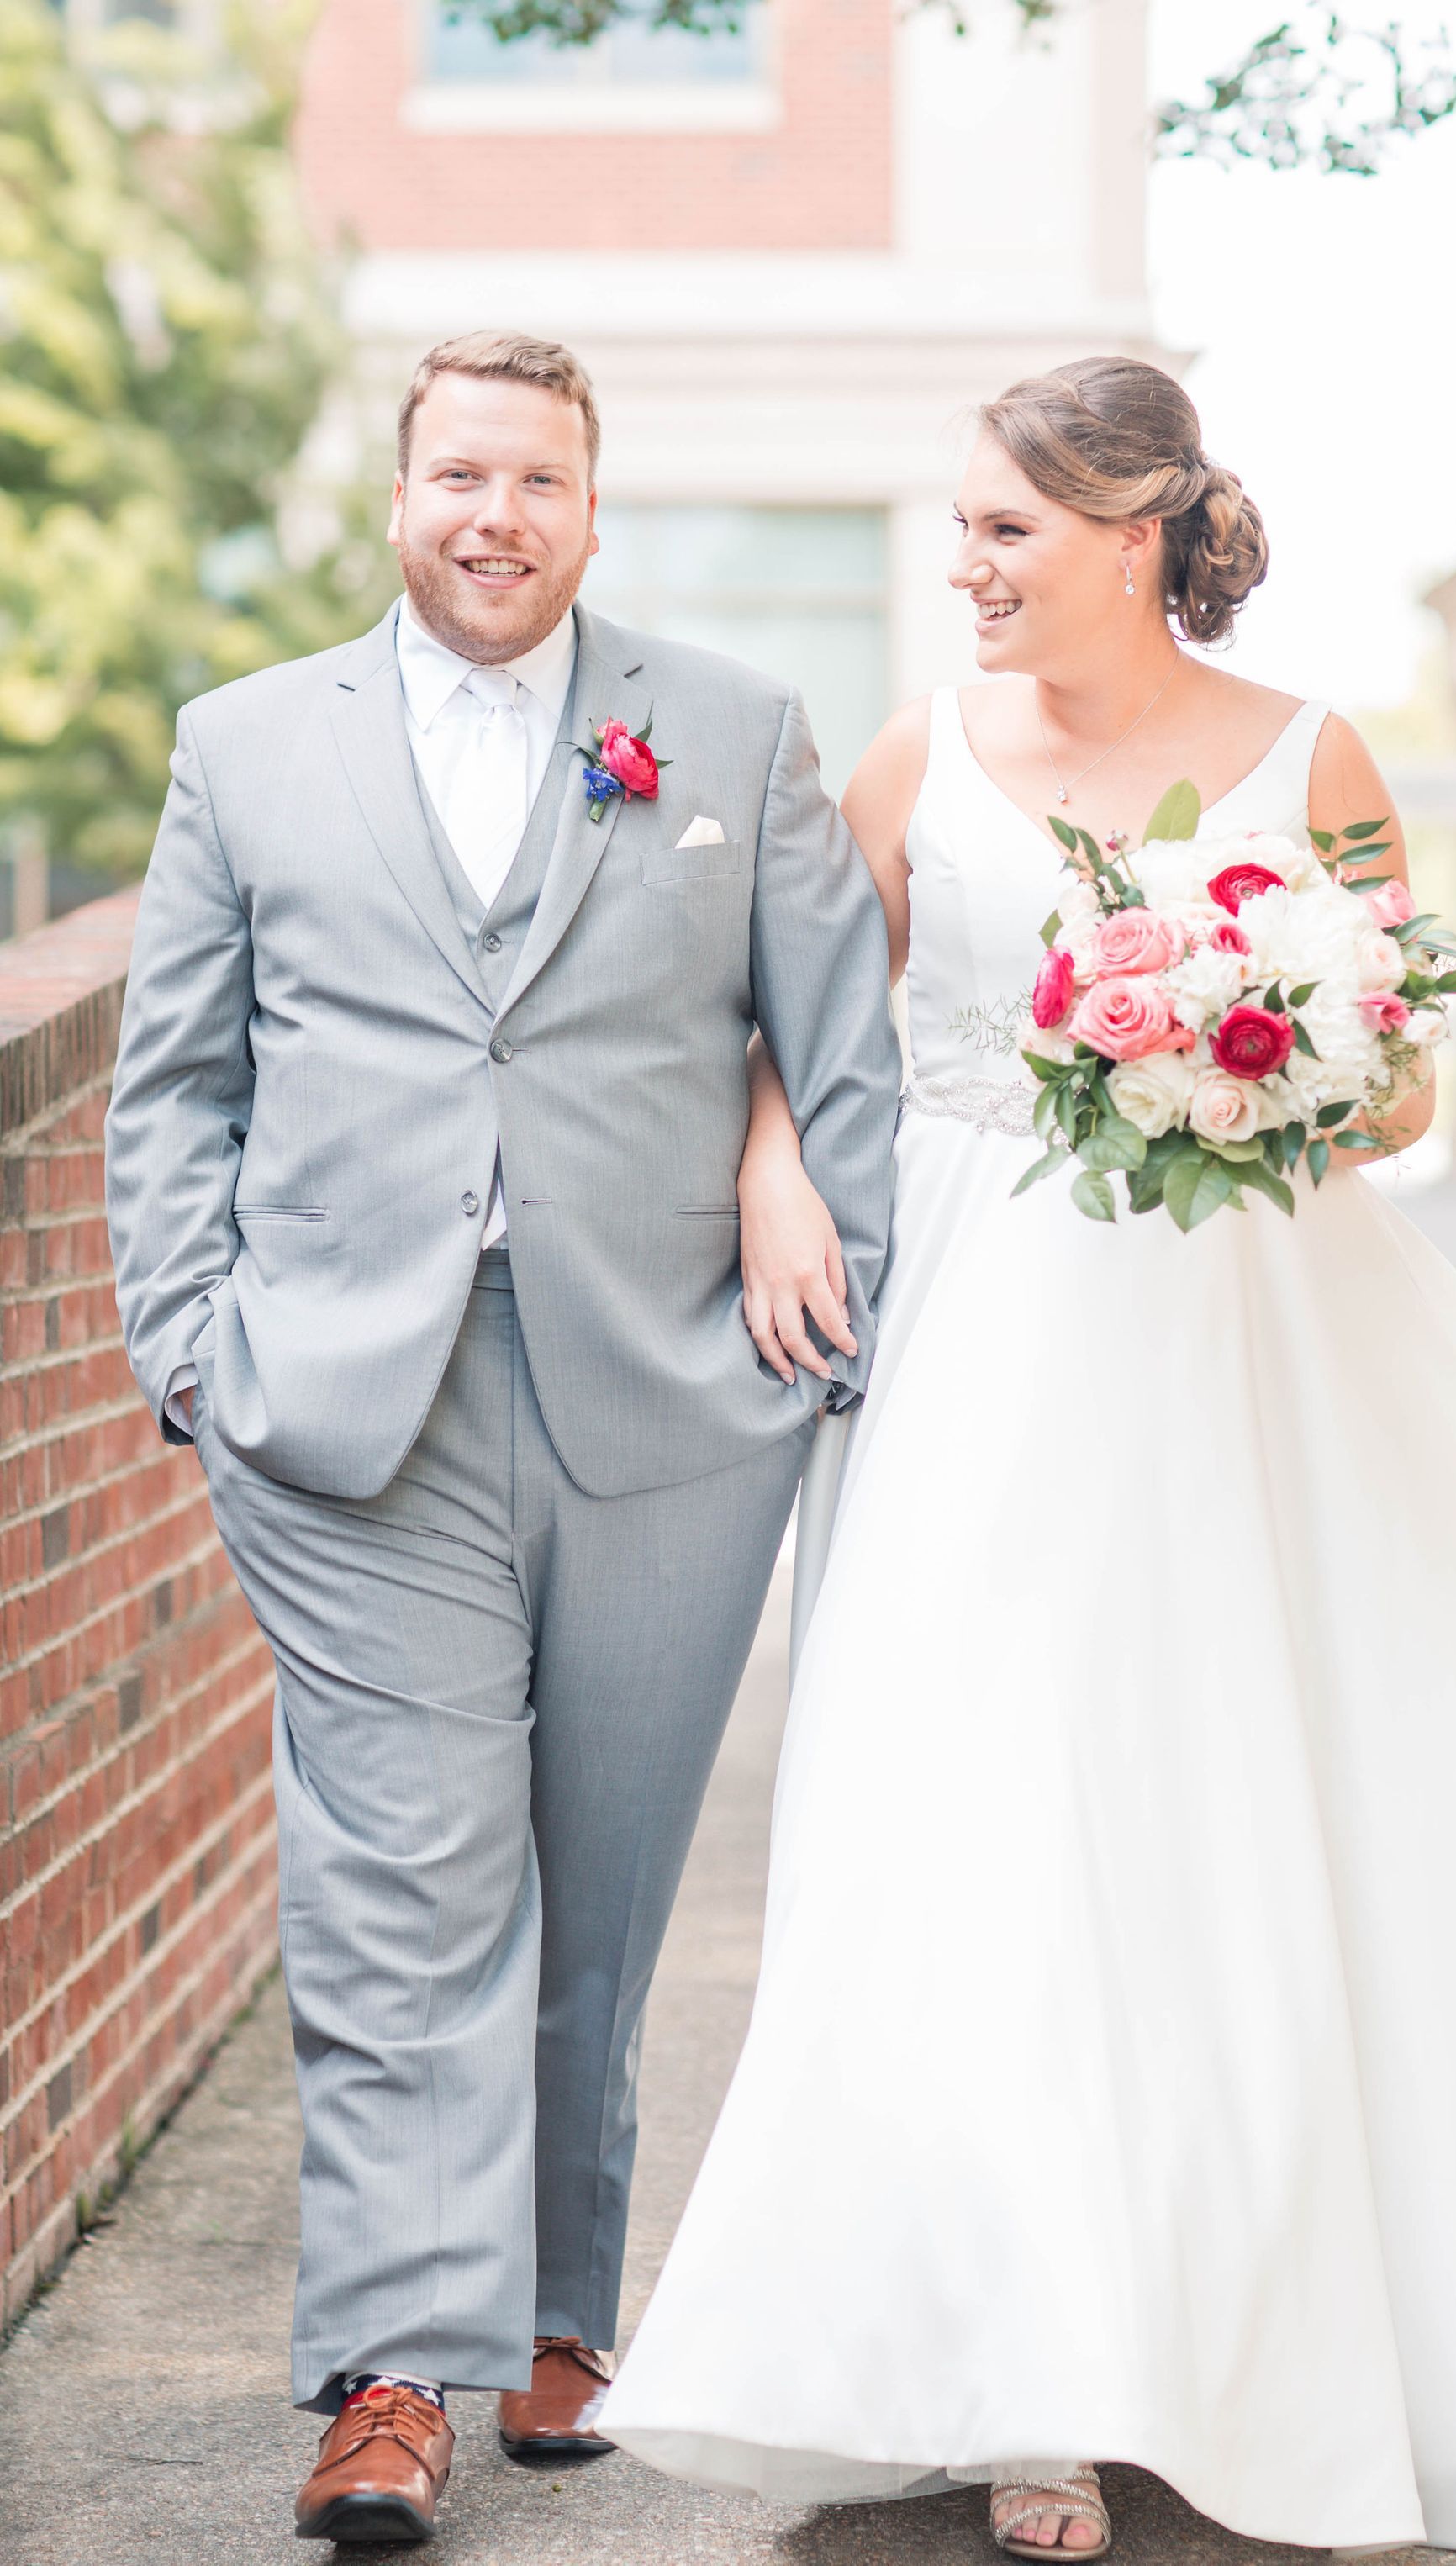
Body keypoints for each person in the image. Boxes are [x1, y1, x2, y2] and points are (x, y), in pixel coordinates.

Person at [602, 359, 1456, 2560]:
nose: (959, 564)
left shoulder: (1311, 752)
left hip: (1233, 1324)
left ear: (1137, 532)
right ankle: (1017, 2370)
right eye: (958, 526)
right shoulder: (909, 756)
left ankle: (1210, 2330)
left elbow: (1410, 1089)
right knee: (963, 1808)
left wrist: (1249, 1085)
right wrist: (777, 1163)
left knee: (1198, 1804)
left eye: (1001, 531)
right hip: (967, 1321)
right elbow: (783, 1016)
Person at [103, 330, 899, 2545]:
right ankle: (386, 2368)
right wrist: (192, 1345)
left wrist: (825, 1350)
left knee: (602, 1879)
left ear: (589, 505)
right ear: (398, 495)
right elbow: (173, 1081)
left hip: (667, 1409)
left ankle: (559, 2301)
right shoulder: (248, 748)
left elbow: (833, 1055)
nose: (497, 514)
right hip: (350, 1409)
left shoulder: (728, 730)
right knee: (406, 1877)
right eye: (461, 471)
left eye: (539, 478)